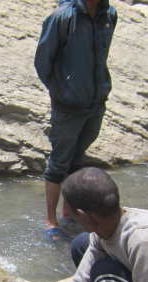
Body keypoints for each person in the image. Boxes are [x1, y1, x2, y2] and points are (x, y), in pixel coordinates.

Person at [34, 0, 118, 240]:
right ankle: (50, 220)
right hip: (68, 105)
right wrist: (62, 91)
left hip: (95, 100)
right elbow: (43, 61)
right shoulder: (61, 17)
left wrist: (100, 88)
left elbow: (101, 54)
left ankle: (69, 212)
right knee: (59, 162)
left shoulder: (109, 14)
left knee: (77, 159)